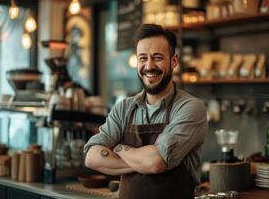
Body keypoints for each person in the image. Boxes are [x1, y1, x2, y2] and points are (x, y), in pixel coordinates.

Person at [83, 23, 208, 199]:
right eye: (143, 58)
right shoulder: (124, 108)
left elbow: (156, 162)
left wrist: (118, 148)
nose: (149, 66)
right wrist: (142, 163)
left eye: (157, 57)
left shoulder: (190, 107)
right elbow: (92, 157)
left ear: (174, 61)